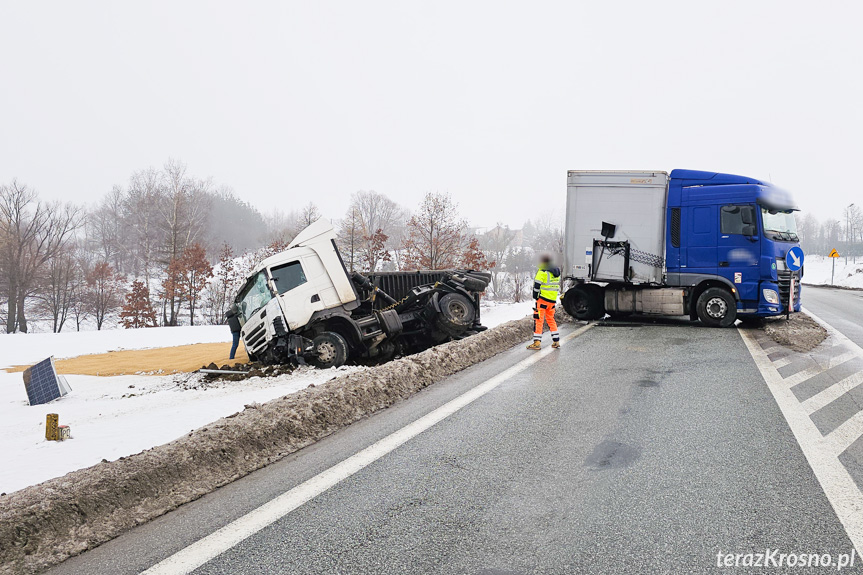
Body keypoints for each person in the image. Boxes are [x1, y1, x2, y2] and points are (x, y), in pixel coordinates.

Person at [527, 254, 561, 350]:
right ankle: (556, 341)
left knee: (539, 320)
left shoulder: (542, 271)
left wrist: (535, 296)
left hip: (542, 300)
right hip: (552, 300)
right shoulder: (556, 272)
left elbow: (537, 285)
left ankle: (537, 343)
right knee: (551, 319)